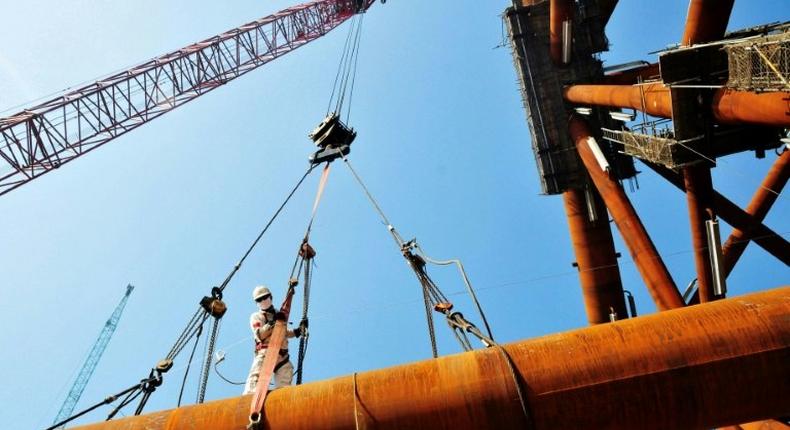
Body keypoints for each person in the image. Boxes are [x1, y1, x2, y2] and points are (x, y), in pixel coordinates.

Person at [243, 285, 307, 395]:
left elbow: (284, 333)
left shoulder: (279, 313)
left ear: (270, 297)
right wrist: (273, 323)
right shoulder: (257, 316)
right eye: (259, 299)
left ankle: (282, 399)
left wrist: (298, 331)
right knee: (256, 376)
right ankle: (250, 397)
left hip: (282, 355)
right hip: (266, 352)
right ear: (256, 303)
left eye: (265, 297)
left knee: (285, 380)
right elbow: (260, 334)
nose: (263, 300)